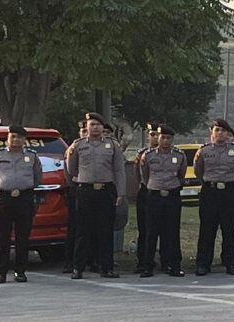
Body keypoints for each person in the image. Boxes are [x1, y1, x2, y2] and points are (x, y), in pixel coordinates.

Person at [65, 114, 123, 280]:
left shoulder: (112, 145)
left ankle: (107, 268)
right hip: (85, 191)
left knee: (105, 231)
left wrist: (121, 193)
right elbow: (72, 169)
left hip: (106, 191)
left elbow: (119, 170)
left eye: (98, 125)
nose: (95, 127)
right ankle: (78, 268)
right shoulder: (77, 145)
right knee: (82, 231)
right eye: (92, 124)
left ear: (102, 128)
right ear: (87, 127)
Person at [0, 127, 41, 283]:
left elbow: (38, 177)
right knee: (2, 236)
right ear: (7, 138)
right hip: (4, 198)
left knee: (23, 236)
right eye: (13, 136)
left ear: (24, 140)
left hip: (25, 198)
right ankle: (1, 271)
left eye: (19, 137)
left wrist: (24, 189)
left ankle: (20, 271)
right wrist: (0, 188)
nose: (16, 140)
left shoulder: (32, 156)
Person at [191, 120, 234, 276]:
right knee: (207, 229)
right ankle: (203, 264)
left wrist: (231, 187)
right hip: (210, 192)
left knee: (228, 230)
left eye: (223, 130)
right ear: (212, 132)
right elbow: (198, 171)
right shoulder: (203, 151)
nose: (220, 133)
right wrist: (209, 184)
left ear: (227, 133)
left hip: (228, 193)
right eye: (217, 130)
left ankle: (231, 263)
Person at [132, 125, 188, 277]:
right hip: (154, 196)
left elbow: (182, 175)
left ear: (172, 139)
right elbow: (143, 176)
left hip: (172, 196)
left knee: (172, 231)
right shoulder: (148, 156)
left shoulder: (179, 155)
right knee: (151, 231)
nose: (165, 140)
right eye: (162, 137)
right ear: (158, 138)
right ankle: (147, 266)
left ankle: (173, 265)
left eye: (168, 138)